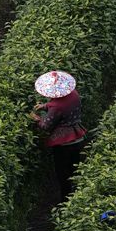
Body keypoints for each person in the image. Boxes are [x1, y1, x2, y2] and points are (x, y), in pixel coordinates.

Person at [29, 70, 86, 201]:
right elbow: (63, 105)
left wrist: (36, 118)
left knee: (63, 174)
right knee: (75, 170)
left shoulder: (56, 106)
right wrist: (45, 106)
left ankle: (65, 201)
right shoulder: (74, 94)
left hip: (63, 144)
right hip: (77, 138)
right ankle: (79, 196)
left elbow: (46, 126)